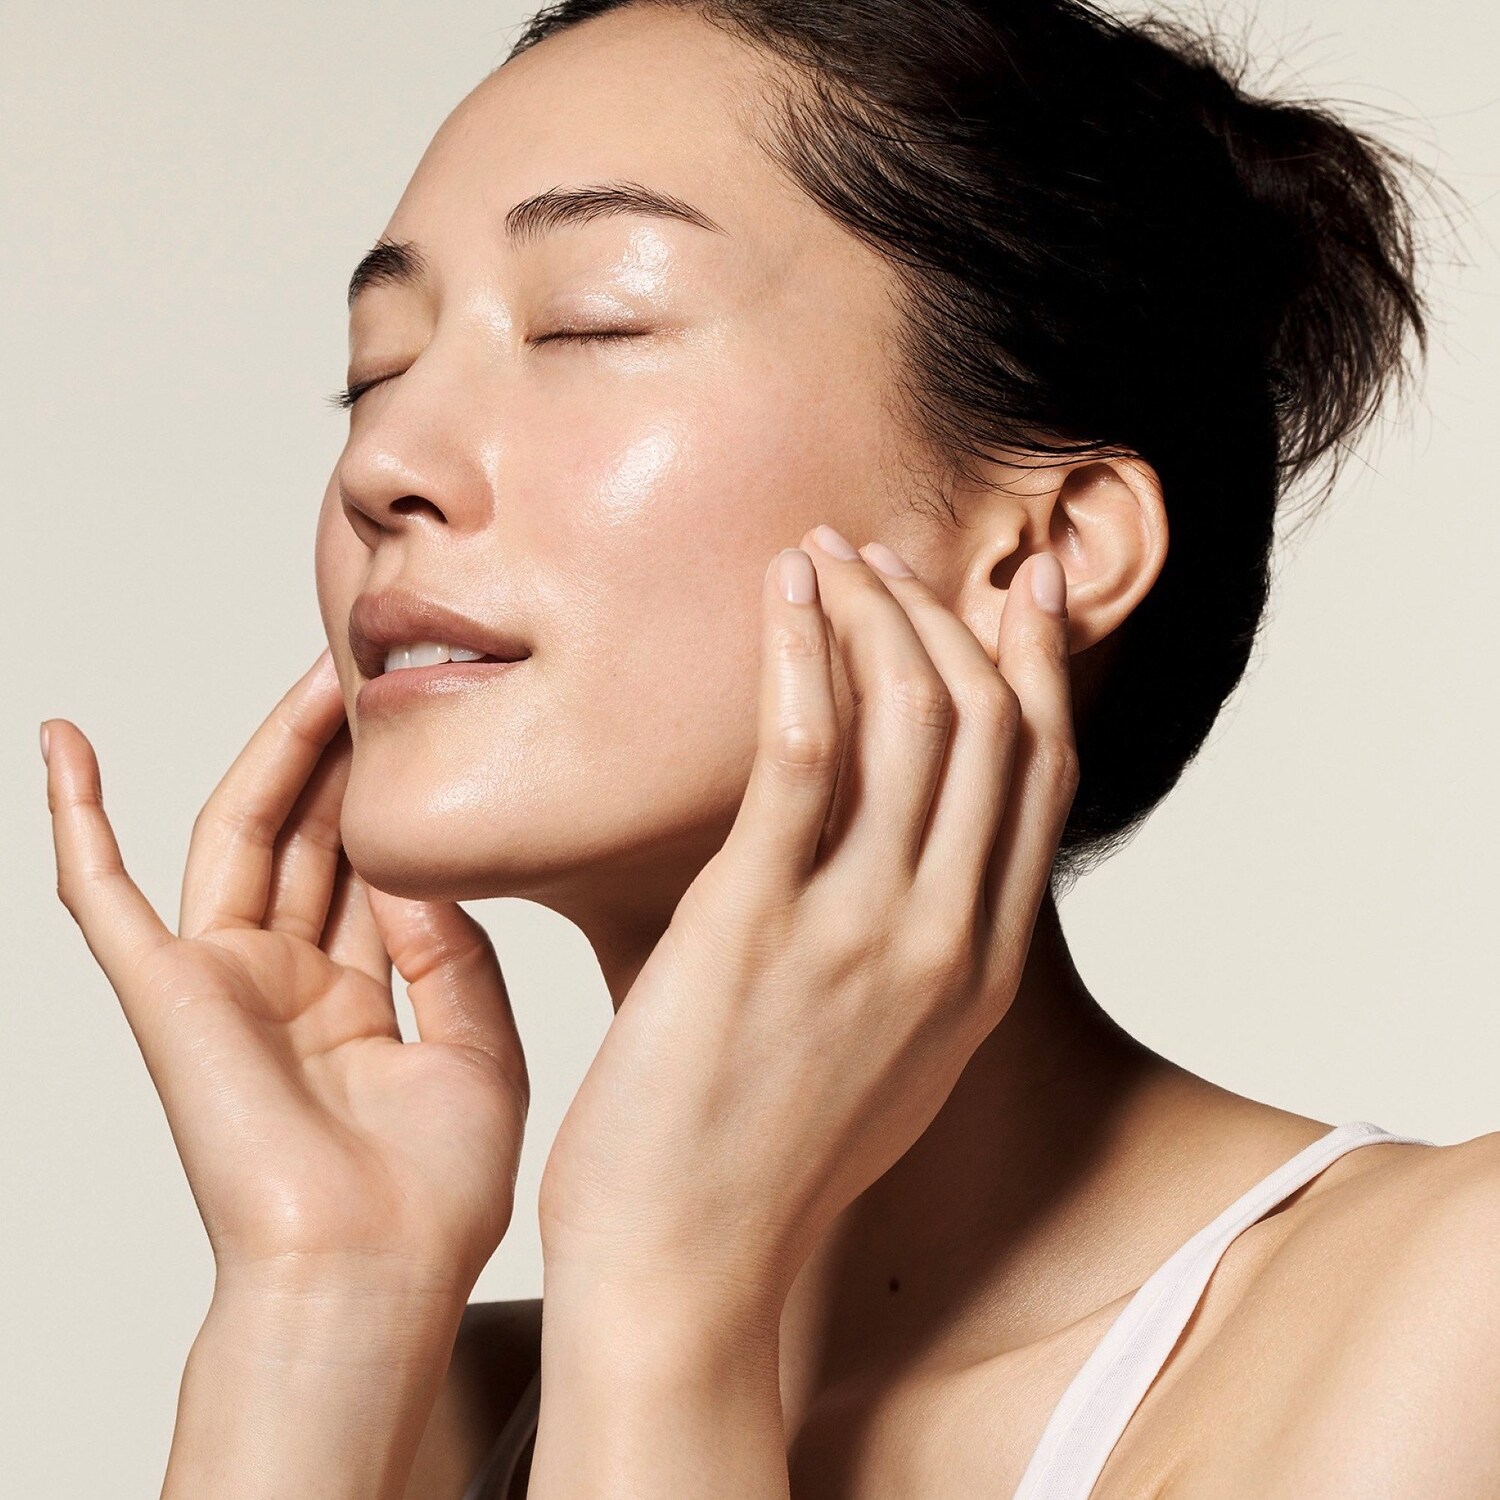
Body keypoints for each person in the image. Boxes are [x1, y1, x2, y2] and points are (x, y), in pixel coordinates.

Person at [40, 0, 1499, 1495]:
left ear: (1041, 549)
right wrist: (315, 1301)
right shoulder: (423, 1403)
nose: (380, 462)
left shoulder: (1448, 1317)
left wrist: (669, 1286)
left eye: (591, 326)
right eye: (376, 369)